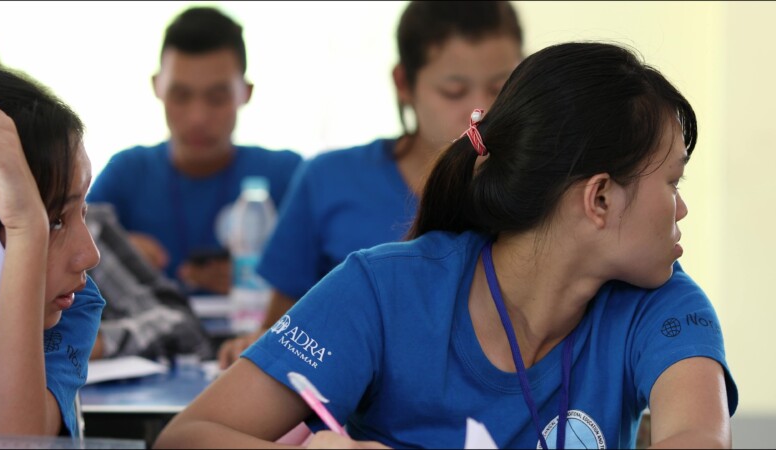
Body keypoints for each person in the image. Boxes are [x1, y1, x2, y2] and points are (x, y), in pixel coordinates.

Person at [155, 42, 739, 449]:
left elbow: (699, 439)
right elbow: (186, 438)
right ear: (601, 199)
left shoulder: (662, 304)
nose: (681, 208)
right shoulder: (382, 291)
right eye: (673, 182)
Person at [217, 0, 525, 368]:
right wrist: (256, 348)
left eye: (500, 87)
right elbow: (280, 332)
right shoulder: (330, 180)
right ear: (403, 83)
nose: (481, 111)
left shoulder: (541, 192)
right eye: (453, 92)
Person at [86, 6, 302, 296]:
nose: (197, 117)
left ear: (246, 93)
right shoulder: (126, 173)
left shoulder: (288, 176)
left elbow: (325, 276)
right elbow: (64, 252)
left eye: (216, 98)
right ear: (157, 87)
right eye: (181, 96)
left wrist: (262, 282)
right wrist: (116, 253)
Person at [0, 66, 104, 437]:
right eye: (56, 221)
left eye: (82, 210)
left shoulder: (71, 306)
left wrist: (28, 229)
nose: (89, 255)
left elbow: (10, 443)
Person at [85, 203, 214, 361]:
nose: (89, 256)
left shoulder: (90, 226)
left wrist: (95, 343)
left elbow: (183, 328)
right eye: (58, 223)